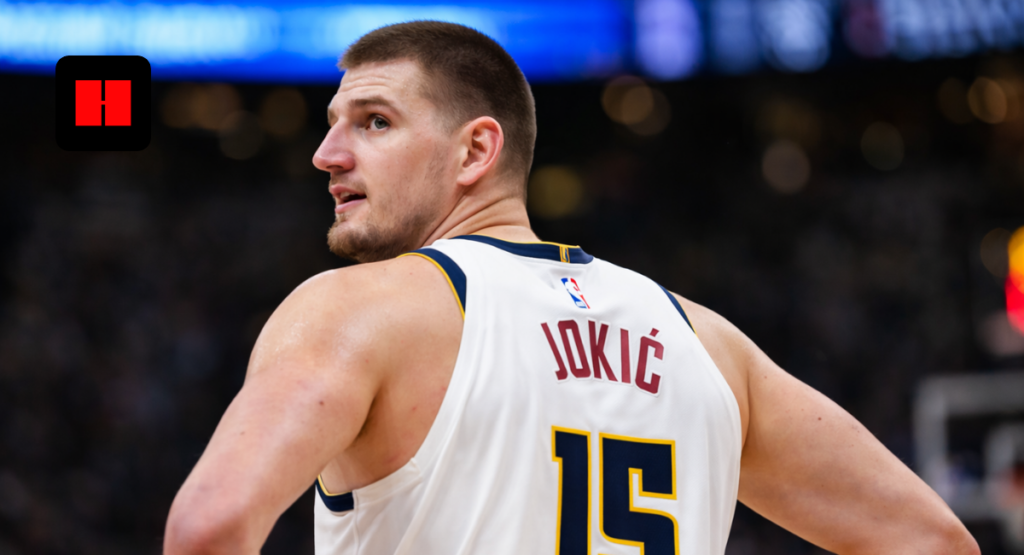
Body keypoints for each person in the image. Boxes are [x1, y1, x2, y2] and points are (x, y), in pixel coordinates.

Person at [163, 21, 979, 555]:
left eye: (373, 121)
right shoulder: (707, 342)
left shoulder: (356, 310)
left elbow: (209, 529)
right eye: (333, 125)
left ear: (475, 150)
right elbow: (931, 541)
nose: (327, 153)